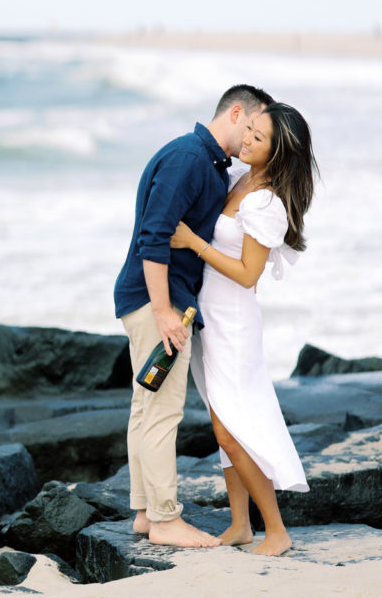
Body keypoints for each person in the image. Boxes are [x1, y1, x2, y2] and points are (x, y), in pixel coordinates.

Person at [114, 84, 273, 548]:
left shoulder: (208, 163)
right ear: (237, 112)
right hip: (157, 301)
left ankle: (145, 513)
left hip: (155, 299)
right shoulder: (189, 158)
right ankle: (165, 520)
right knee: (163, 411)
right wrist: (164, 311)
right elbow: (155, 237)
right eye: (254, 127)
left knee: (146, 407)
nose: (252, 139)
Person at [170, 101, 318, 555]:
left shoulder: (266, 200)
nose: (247, 139)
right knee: (223, 424)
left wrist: (193, 243)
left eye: (259, 137)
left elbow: (248, 274)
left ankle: (276, 530)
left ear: (280, 151)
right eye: (249, 129)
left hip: (233, 323)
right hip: (212, 318)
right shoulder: (242, 180)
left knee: (233, 430)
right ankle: (240, 525)